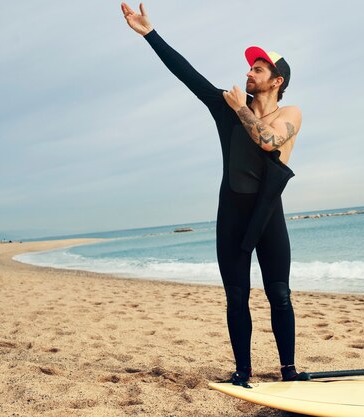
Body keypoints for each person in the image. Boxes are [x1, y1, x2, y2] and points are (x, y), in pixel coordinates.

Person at [121, 3, 307, 386]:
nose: (249, 73)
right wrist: (149, 34)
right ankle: (243, 371)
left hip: (269, 214)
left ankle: (288, 371)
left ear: (277, 81)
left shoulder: (291, 113)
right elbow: (188, 75)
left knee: (280, 294)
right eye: (250, 68)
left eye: (258, 69)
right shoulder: (228, 105)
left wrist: (242, 110)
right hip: (233, 212)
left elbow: (269, 143)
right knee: (236, 297)